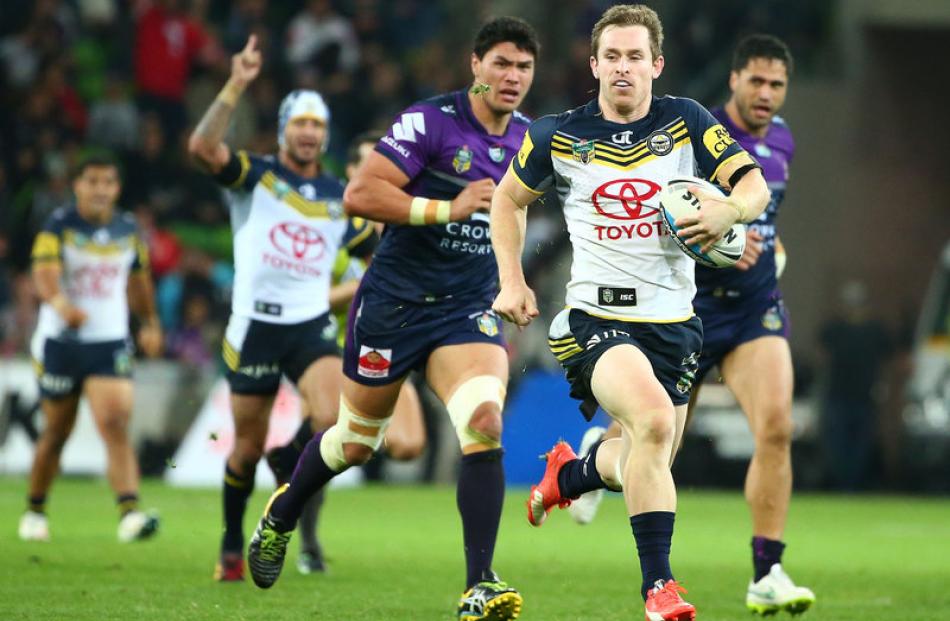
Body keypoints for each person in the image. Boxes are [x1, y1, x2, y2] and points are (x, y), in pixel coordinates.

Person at [246, 17, 539, 621]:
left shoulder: (531, 140)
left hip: (468, 309)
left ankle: (478, 584)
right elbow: (360, 194)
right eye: (502, 64)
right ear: (476, 65)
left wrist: (513, 280)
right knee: (355, 442)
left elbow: (515, 212)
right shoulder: (429, 123)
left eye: (524, 67)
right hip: (393, 307)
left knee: (484, 422)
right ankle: (282, 513)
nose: (513, 77)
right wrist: (446, 206)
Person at [491, 5, 770, 620]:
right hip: (596, 320)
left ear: (656, 64)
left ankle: (571, 474)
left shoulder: (688, 122)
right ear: (594, 65)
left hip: (675, 324)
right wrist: (511, 279)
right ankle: (659, 588)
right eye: (612, 56)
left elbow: (753, 187)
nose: (623, 67)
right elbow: (507, 201)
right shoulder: (556, 133)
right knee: (653, 423)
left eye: (635, 56)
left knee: (645, 457)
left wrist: (729, 212)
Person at [564, 34, 816, 616]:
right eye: (756, 81)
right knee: (655, 449)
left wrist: (755, 246)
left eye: (777, 85)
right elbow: (671, 211)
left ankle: (767, 571)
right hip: (686, 307)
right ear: (733, 80)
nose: (766, 94)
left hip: (753, 306)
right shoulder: (688, 131)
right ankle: (591, 462)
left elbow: (761, 217)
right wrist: (719, 236)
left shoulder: (781, 142)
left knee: (776, 428)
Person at [187, 36, 377, 582]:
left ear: (325, 133)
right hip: (255, 327)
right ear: (284, 129)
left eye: (318, 124)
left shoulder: (341, 197)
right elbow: (202, 149)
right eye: (300, 122)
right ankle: (230, 542)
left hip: (310, 325)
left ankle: (288, 471)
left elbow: (381, 257)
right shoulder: (257, 175)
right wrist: (237, 83)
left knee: (335, 418)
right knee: (243, 449)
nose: (309, 132)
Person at [262, 130, 427, 575]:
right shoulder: (331, 228)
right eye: (367, 163)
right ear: (354, 175)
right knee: (329, 422)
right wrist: (364, 286)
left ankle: (292, 452)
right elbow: (305, 291)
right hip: (327, 346)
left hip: (390, 350)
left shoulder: (410, 227)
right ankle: (308, 542)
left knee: (408, 446)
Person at [19, 153, 164, 543]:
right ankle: (35, 509)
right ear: (77, 186)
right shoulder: (59, 226)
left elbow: (138, 280)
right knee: (56, 431)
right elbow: (43, 274)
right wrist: (61, 304)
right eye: (93, 182)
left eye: (108, 183)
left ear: (117, 188)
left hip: (109, 340)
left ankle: (129, 513)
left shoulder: (128, 229)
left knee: (115, 422)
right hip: (61, 342)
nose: (101, 190)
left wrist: (149, 321)